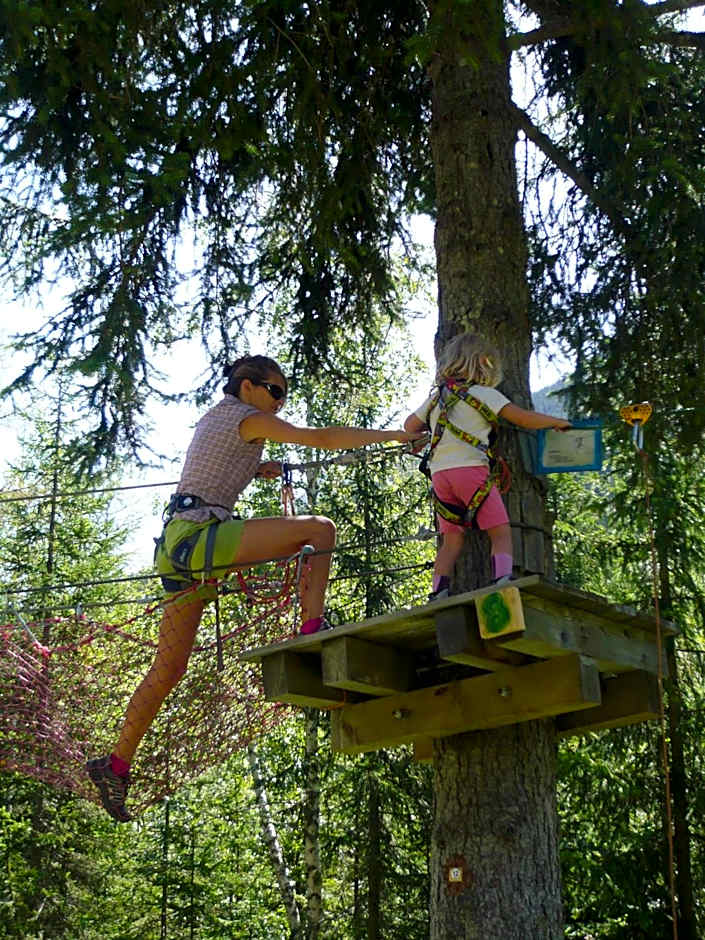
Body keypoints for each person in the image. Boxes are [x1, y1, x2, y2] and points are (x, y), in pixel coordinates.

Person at [87, 354, 423, 822]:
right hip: (201, 538)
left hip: (179, 548)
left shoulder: (221, 419)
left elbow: (215, 465)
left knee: (169, 668)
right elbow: (320, 439)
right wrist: (394, 436)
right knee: (320, 531)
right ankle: (310, 627)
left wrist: (255, 468)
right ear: (248, 387)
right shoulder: (246, 418)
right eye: (276, 392)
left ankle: (115, 763)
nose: (280, 404)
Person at [404, 333, 571, 601]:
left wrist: (431, 427)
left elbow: (409, 426)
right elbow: (522, 418)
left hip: (440, 476)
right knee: (500, 530)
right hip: (471, 472)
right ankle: (501, 580)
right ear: (484, 363)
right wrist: (554, 422)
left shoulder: (437, 398)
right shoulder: (485, 395)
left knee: (452, 540)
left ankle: (438, 591)